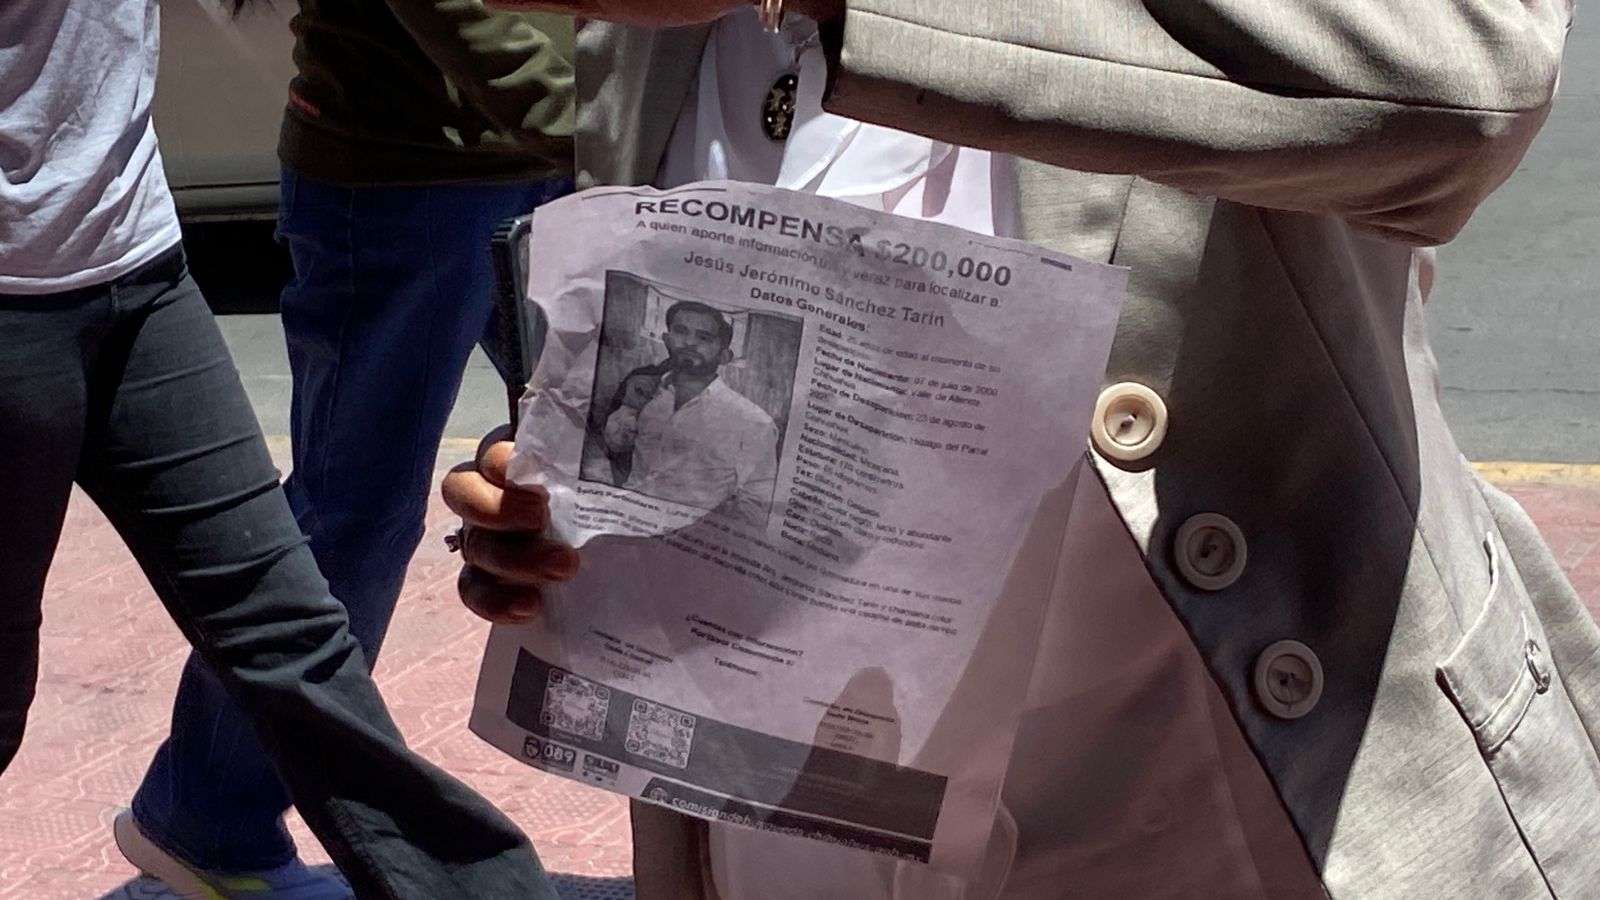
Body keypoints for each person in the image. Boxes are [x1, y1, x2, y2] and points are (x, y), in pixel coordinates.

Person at [451, 0, 1596, 898]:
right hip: (795, 838)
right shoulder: (645, 32)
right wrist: (577, 505)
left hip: (1231, 811)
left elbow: (1469, 89)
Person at [0, 1, 558, 898]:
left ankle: (475, 886)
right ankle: (210, 821)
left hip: (135, 263)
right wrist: (582, 120)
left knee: (291, 630)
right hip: (21, 300)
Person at [615, 301, 779, 522]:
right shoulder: (643, 393)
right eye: (681, 331)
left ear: (724, 356)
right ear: (667, 339)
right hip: (624, 518)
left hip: (688, 534)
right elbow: (617, 449)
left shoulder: (753, 422)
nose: (689, 342)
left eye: (704, 337)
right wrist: (628, 409)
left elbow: (756, 506)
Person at [600, 365, 670, 483]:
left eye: (615, 431)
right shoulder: (654, 419)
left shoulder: (632, 388)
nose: (624, 430)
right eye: (626, 437)